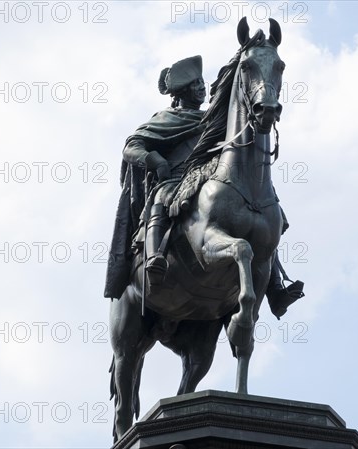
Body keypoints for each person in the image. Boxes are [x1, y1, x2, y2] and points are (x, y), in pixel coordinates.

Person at [104, 55, 302, 318]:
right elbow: (132, 147)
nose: (201, 87)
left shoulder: (212, 120)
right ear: (183, 91)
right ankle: (155, 258)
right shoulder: (166, 118)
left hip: (210, 175)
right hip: (174, 179)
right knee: (161, 198)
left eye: (201, 82)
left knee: (263, 213)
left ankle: (275, 288)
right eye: (195, 83)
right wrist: (156, 161)